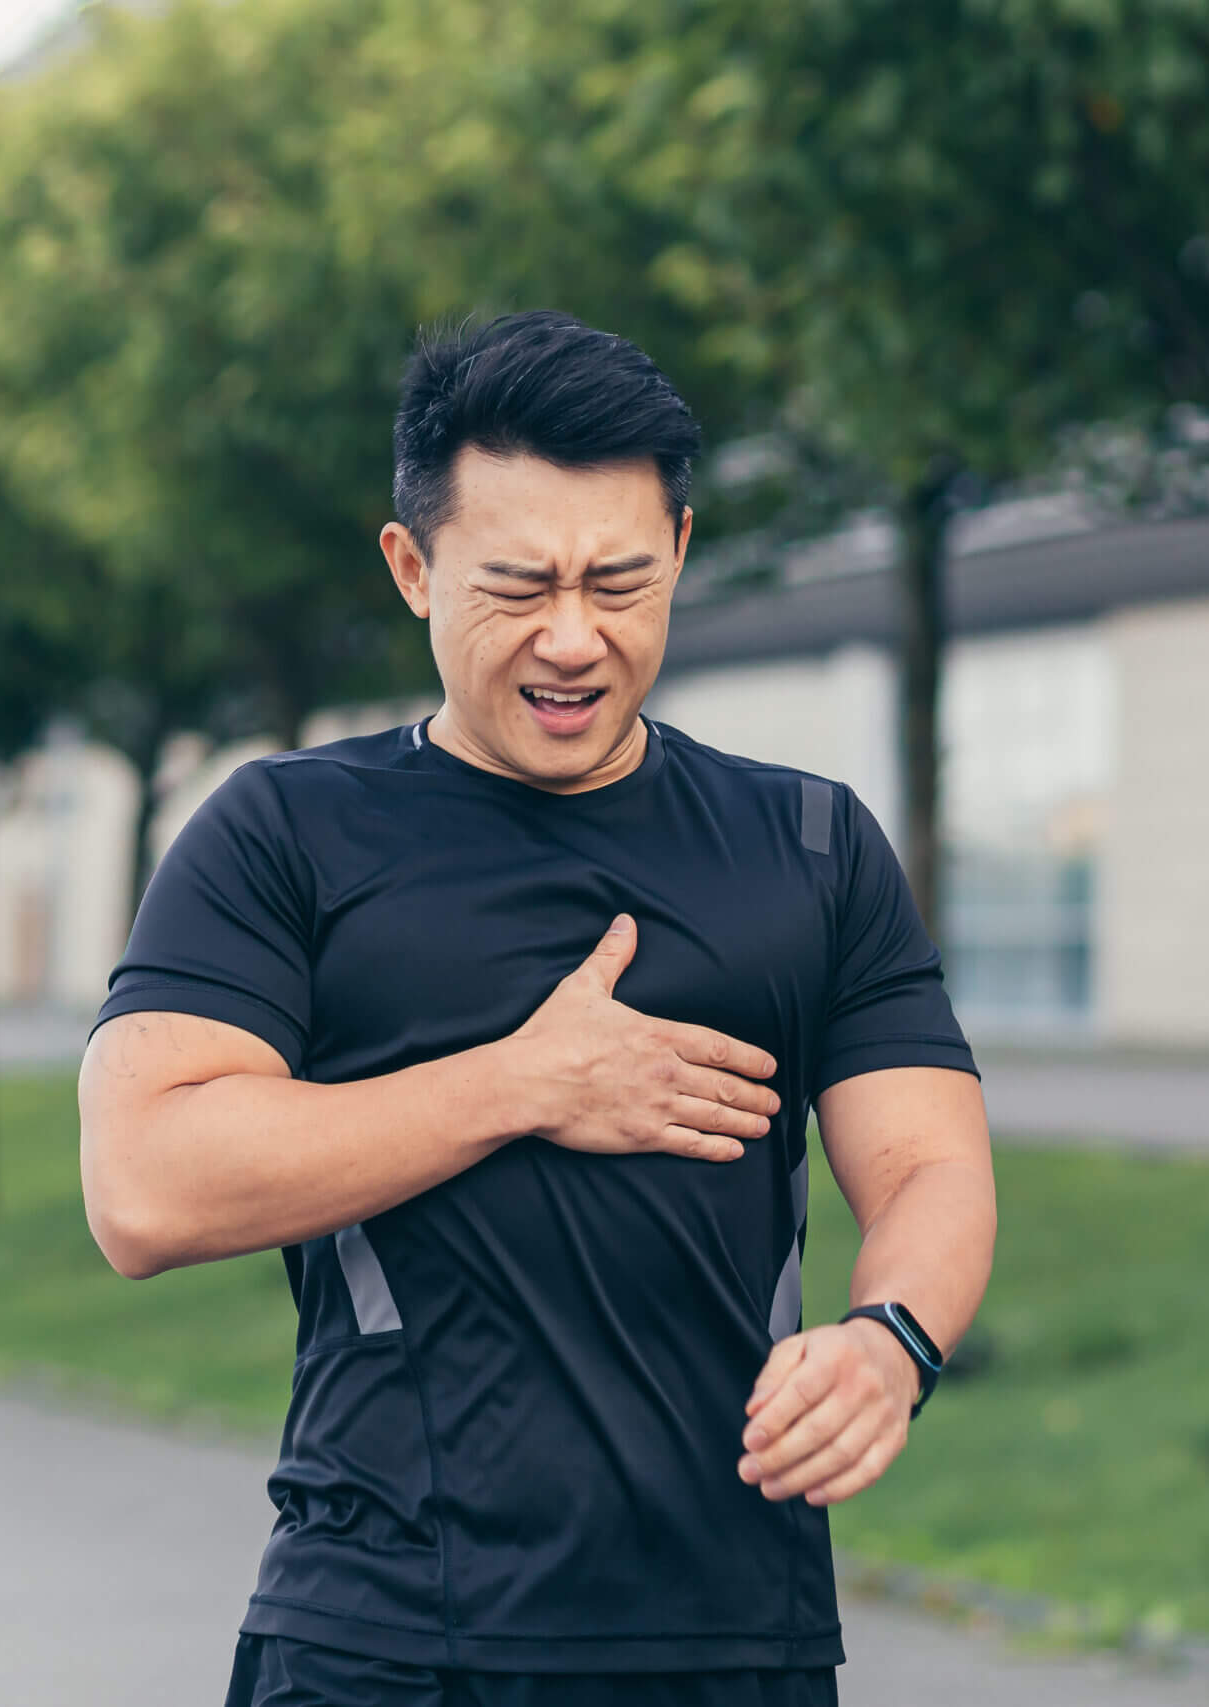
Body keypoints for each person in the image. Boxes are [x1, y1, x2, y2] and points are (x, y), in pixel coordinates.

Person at [77, 309, 996, 1706]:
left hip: (732, 1643)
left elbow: (931, 1161)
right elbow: (143, 1188)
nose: (574, 640)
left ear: (681, 549)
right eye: (517, 588)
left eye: (619, 583)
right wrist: (525, 1083)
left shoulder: (808, 846)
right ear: (412, 566)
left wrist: (893, 1344)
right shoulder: (285, 838)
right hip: (382, 1641)